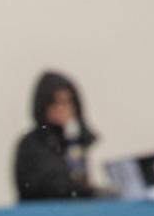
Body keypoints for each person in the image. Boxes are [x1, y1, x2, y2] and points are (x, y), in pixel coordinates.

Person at [14, 71, 102, 202]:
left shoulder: (73, 143)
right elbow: (54, 186)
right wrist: (93, 193)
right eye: (54, 103)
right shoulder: (33, 143)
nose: (61, 109)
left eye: (67, 103)